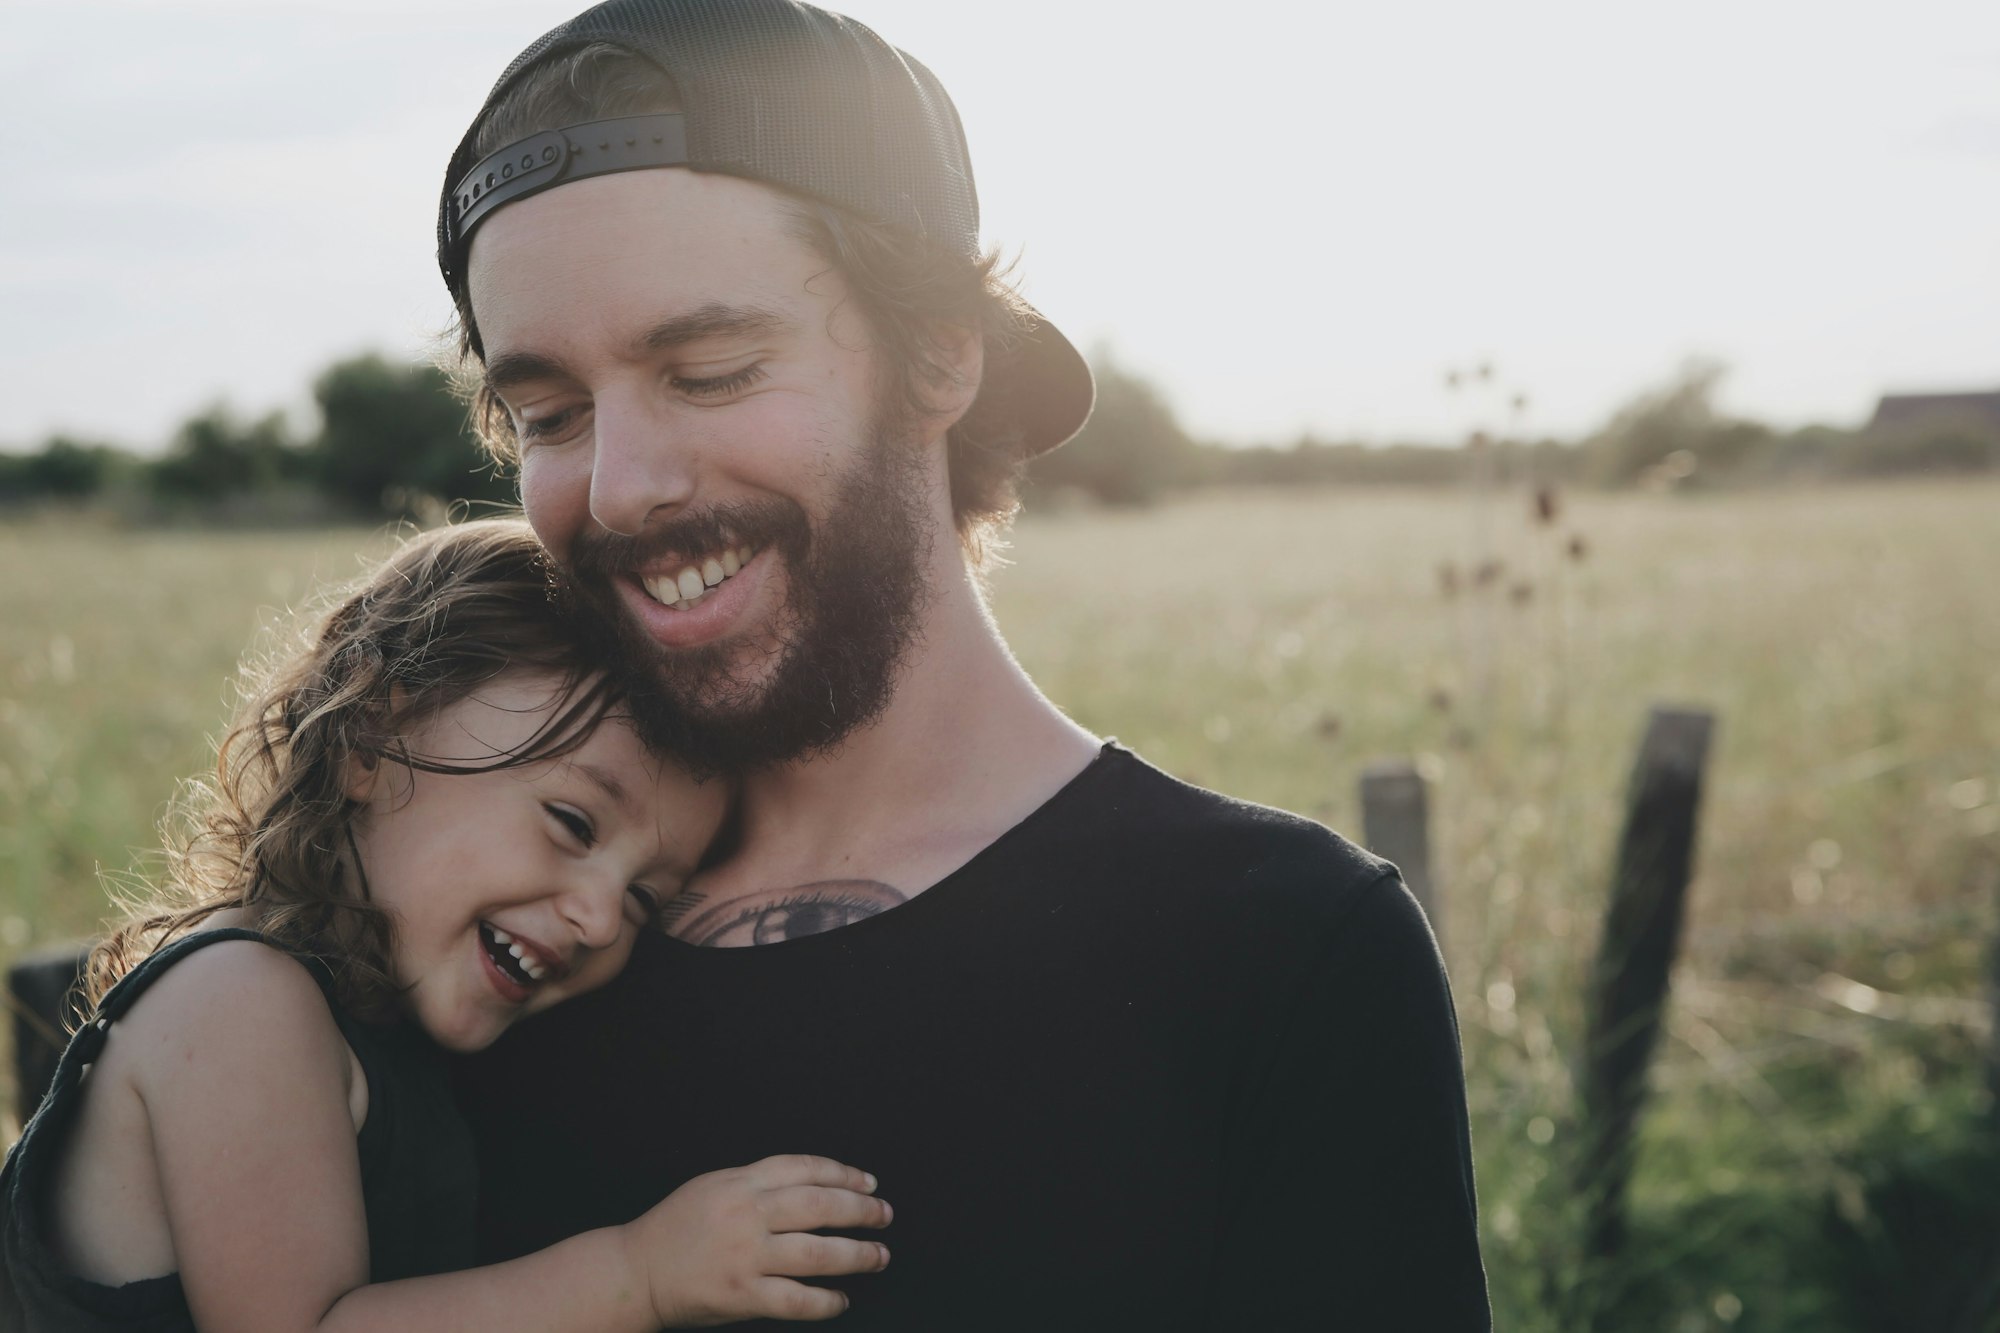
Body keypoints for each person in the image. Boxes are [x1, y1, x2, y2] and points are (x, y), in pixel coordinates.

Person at [443, 2, 1491, 1326]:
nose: (622, 485)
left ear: (940, 355)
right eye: (548, 414)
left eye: (708, 370)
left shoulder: (1279, 953)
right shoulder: (491, 939)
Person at [0, 519, 896, 1331]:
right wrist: (642, 1274)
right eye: (573, 823)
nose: (595, 916)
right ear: (369, 736)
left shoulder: (382, 1032)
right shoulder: (240, 1001)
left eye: (641, 900)